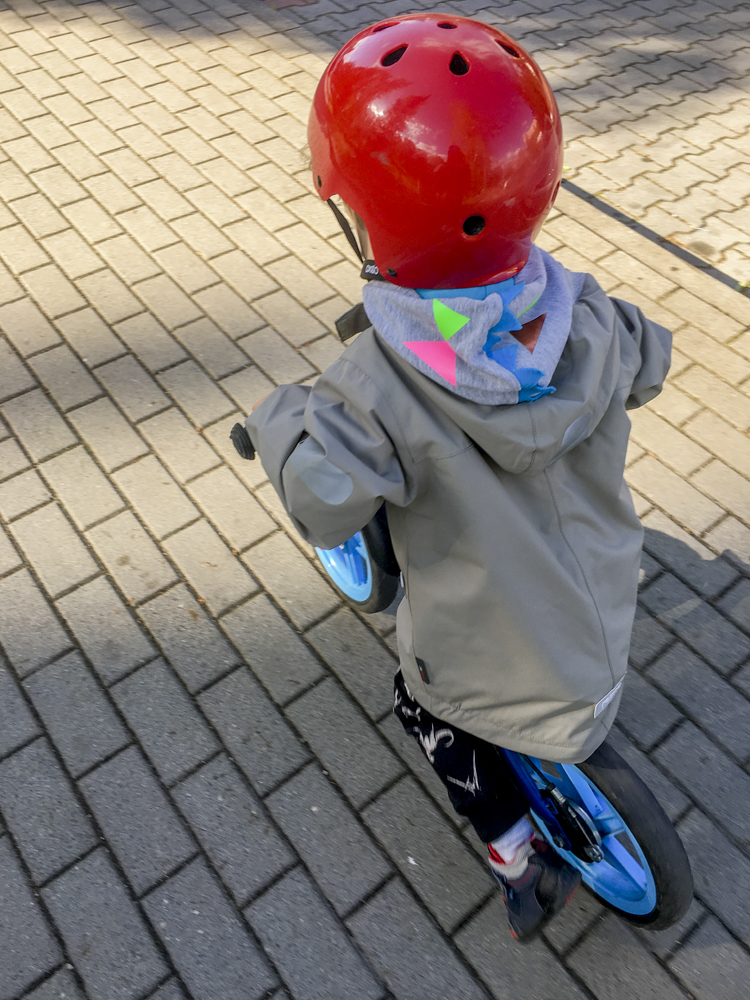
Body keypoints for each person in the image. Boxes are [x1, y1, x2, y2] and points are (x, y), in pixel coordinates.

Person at [243, 13, 671, 942]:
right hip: (603, 607)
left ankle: (518, 855)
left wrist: (276, 421)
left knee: (418, 699)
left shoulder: (375, 386)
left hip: (499, 663)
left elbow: (325, 501)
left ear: (370, 217)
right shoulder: (588, 312)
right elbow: (651, 361)